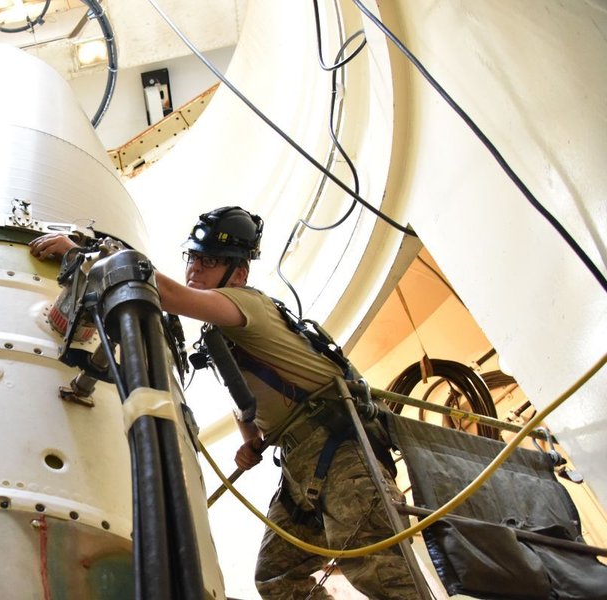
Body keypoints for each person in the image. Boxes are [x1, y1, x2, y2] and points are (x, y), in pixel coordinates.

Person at [29, 207, 415, 599]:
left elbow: (172, 295)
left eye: (210, 260)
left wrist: (84, 255)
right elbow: (243, 395)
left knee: (383, 573)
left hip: (336, 447)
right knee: (277, 579)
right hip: (300, 460)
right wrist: (250, 438)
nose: (196, 267)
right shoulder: (221, 335)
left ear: (240, 272)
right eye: (193, 257)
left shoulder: (247, 303)